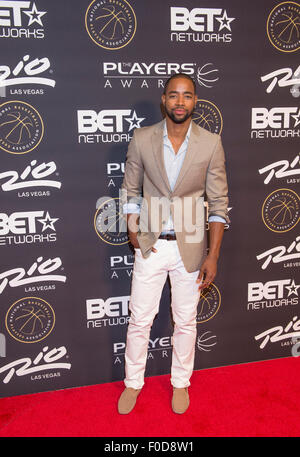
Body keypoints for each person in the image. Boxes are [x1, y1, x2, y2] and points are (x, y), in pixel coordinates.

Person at [118, 73, 229, 414]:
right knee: (140, 320)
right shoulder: (142, 138)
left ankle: (181, 382)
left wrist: (213, 254)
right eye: (174, 95)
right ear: (163, 99)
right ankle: (133, 383)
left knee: (186, 321)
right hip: (150, 244)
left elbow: (219, 202)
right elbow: (130, 188)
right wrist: (132, 229)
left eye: (187, 95)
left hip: (192, 247)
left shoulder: (210, 143)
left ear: (195, 101)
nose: (180, 102)